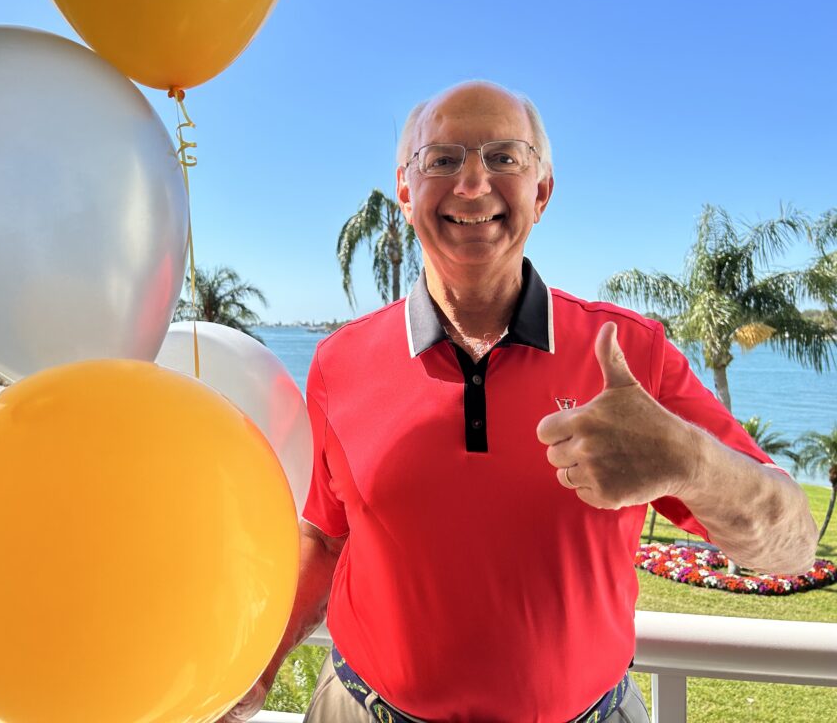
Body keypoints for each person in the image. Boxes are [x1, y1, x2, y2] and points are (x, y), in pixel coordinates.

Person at [219, 81, 819, 723]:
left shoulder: (628, 352)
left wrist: (692, 465)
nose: (473, 183)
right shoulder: (339, 362)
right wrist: (255, 668)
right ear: (404, 188)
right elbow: (327, 537)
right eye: (442, 159)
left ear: (542, 192)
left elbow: (793, 546)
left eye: (505, 157)